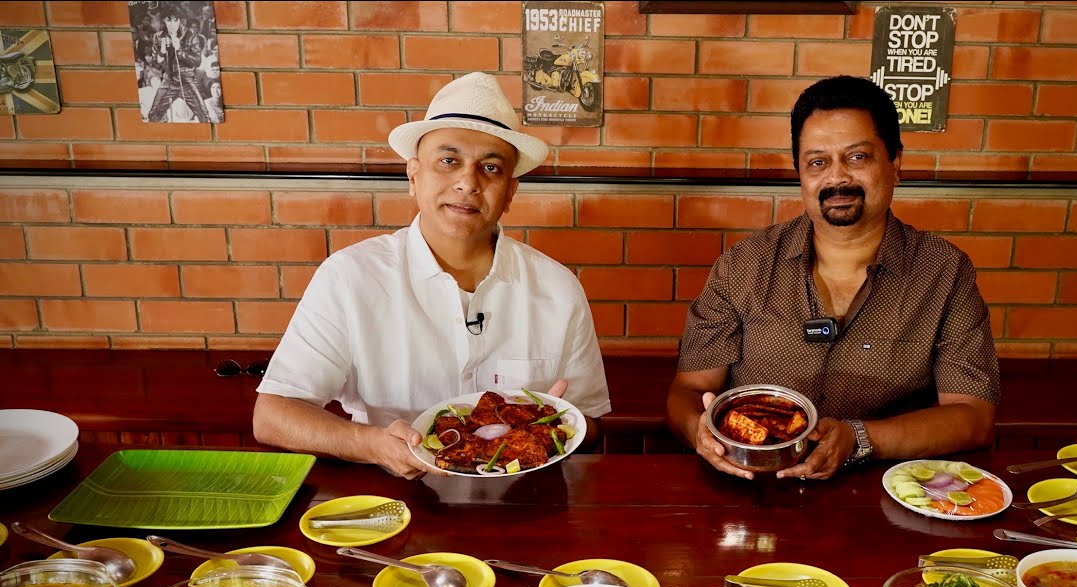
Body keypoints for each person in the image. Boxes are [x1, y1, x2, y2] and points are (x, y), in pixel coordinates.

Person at [254, 72, 611, 478]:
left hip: (526, 506)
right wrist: (371, 445)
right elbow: (272, 415)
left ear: (510, 192)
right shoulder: (350, 278)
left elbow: (590, 420)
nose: (467, 183)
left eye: (490, 168)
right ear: (413, 175)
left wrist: (547, 421)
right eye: (449, 160)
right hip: (393, 504)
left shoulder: (557, 288)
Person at [667, 75, 998, 482]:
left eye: (857, 157)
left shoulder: (944, 272)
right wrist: (698, 432)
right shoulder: (744, 265)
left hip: (888, 491)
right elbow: (690, 387)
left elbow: (973, 416)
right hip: (757, 487)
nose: (837, 178)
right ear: (801, 174)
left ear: (895, 162)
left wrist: (860, 438)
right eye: (817, 162)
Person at [145, 8, 209, 123]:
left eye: (176, 20)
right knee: (153, 115)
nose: (172, 24)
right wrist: (162, 51)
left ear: (180, 20)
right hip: (169, 80)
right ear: (164, 20)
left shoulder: (190, 34)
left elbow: (197, 61)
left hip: (187, 80)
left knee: (204, 116)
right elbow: (156, 62)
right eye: (169, 20)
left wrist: (180, 49)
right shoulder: (157, 36)